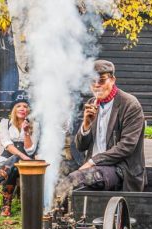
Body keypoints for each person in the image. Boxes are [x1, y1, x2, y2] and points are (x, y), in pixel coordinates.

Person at [54, 60, 146, 208]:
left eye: (101, 80)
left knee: (74, 180)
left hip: (121, 168)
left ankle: (60, 220)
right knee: (56, 178)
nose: (97, 85)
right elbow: (80, 146)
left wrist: (92, 161)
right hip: (95, 168)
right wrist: (86, 125)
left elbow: (126, 146)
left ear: (112, 80)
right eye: (92, 81)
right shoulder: (92, 102)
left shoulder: (129, 104)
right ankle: (59, 220)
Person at [0, 90, 37, 216]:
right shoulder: (4, 124)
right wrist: (22, 157)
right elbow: (7, 145)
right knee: (13, 165)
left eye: (25, 106)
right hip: (5, 162)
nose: (22, 108)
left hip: (24, 166)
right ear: (13, 109)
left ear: (28, 110)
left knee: (14, 167)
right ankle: (5, 206)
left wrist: (26, 132)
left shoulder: (35, 125)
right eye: (19, 106)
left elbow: (31, 150)